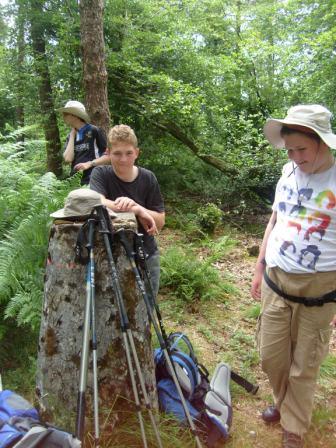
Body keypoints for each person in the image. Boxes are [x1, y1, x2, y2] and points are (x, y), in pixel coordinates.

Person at [251, 104, 336, 448]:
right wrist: (259, 266)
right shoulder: (287, 171)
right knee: (271, 355)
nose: (295, 156)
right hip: (276, 279)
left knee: (305, 363)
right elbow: (275, 220)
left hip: (320, 288)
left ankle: (294, 425)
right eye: (290, 150)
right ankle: (286, 402)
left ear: (322, 142)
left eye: (301, 148)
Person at [89, 124, 165, 297]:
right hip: (110, 254)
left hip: (146, 254)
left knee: (146, 314)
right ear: (108, 152)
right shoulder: (100, 174)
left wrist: (138, 208)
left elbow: (160, 221)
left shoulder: (148, 178)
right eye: (117, 153)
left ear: (136, 153)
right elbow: (97, 201)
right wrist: (133, 209)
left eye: (128, 153)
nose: (123, 159)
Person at [58, 100, 110, 185]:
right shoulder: (70, 136)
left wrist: (89, 164)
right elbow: (68, 159)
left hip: (94, 179)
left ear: (75, 115)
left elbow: (108, 156)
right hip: (75, 182)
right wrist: (72, 136)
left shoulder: (94, 130)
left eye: (66, 114)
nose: (63, 116)